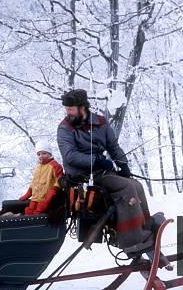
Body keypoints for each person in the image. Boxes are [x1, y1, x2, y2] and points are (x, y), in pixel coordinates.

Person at [57, 88, 171, 269]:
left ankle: (145, 229)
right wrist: (98, 161)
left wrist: (123, 165)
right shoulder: (65, 128)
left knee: (137, 185)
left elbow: (113, 146)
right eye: (66, 109)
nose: (67, 112)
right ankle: (132, 242)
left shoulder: (101, 122)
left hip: (100, 172)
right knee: (127, 189)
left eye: (70, 109)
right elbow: (70, 156)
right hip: (82, 177)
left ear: (82, 107)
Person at [19, 140, 64, 215]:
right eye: (39, 154)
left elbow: (60, 179)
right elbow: (34, 182)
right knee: (29, 212)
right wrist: (28, 193)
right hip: (35, 197)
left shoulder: (54, 165)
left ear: (49, 154)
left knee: (38, 214)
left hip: (45, 198)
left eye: (44, 153)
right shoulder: (38, 167)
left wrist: (52, 193)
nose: (41, 156)